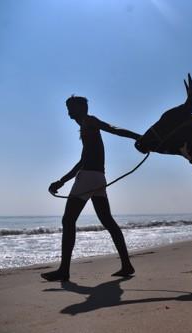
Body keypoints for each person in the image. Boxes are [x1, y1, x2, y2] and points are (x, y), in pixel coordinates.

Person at [41, 96, 141, 281]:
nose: (68, 111)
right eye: (67, 107)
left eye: (71, 107)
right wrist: (62, 181)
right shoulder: (86, 127)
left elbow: (113, 129)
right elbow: (82, 160)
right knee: (108, 221)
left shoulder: (89, 121)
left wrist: (140, 138)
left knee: (68, 220)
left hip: (88, 177)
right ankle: (126, 265)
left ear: (81, 108)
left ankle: (64, 270)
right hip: (98, 178)